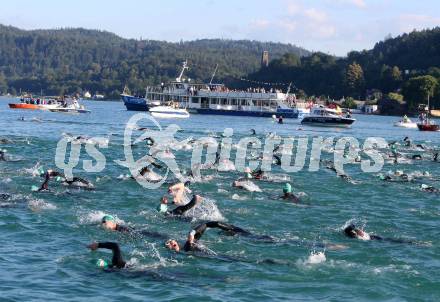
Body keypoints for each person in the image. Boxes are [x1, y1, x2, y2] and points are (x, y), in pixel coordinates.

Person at [165, 221, 257, 253]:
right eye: (172, 246)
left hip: (215, 255)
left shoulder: (187, 246)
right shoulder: (186, 249)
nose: (173, 245)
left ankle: (245, 234)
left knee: (215, 223)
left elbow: (205, 225)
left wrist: (192, 233)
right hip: (216, 257)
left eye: (173, 243)